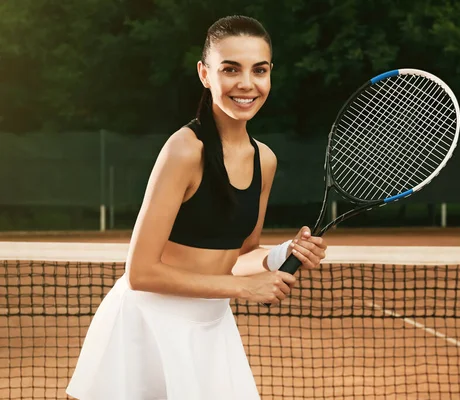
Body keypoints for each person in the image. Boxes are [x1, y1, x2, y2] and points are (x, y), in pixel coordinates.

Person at [66, 15, 327, 400]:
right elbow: (140, 272)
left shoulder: (265, 160)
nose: (246, 83)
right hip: (146, 326)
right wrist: (243, 289)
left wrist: (280, 255)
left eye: (260, 70)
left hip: (211, 328)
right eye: (230, 69)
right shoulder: (185, 150)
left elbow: (238, 255)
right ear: (205, 74)